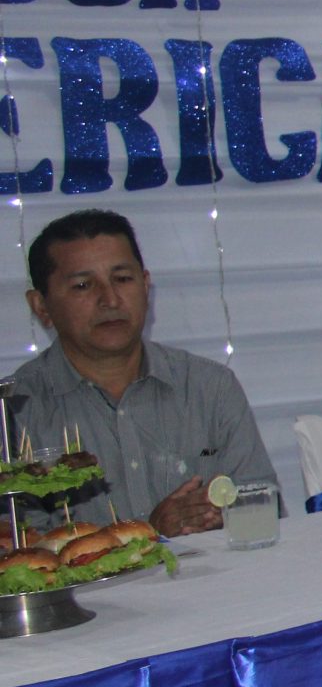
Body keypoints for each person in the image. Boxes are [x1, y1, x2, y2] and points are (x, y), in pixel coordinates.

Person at [10, 209, 276, 535]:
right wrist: (149, 534)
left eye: (123, 279)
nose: (110, 299)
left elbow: (263, 510)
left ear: (146, 285)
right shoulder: (15, 412)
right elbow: (18, 547)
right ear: (41, 306)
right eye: (82, 285)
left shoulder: (209, 386)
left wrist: (231, 516)